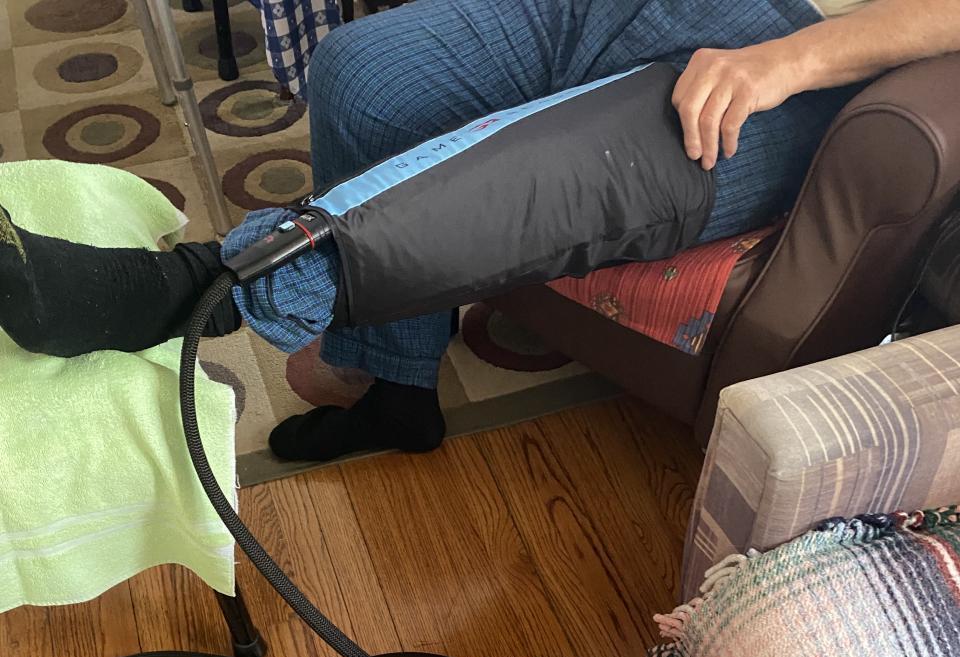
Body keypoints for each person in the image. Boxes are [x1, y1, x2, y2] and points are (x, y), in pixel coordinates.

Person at [1, 0, 957, 464]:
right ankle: (394, 386)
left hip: (805, 54)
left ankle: (195, 291)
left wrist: (791, 59)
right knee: (364, 71)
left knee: (547, 169)